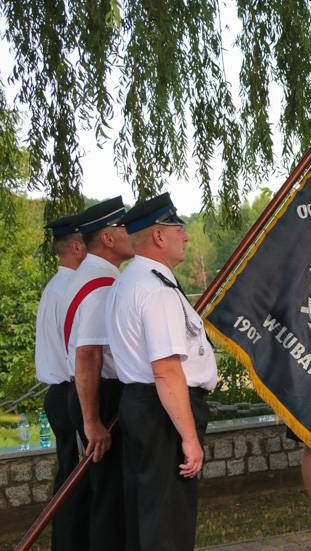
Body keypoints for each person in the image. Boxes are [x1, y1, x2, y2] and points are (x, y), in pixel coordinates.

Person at [105, 193, 217, 551]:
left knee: (147, 513)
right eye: (179, 229)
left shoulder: (128, 281)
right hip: (164, 411)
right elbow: (167, 370)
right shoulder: (156, 290)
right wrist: (188, 436)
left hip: (143, 404)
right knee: (168, 522)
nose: (185, 237)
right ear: (158, 236)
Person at [63, 197, 133, 550]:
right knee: (110, 499)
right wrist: (92, 420)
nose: (130, 233)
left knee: (107, 495)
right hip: (102, 396)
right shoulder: (100, 285)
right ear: (107, 237)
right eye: (123, 227)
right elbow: (88, 354)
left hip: (97, 393)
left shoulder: (92, 276)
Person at [34, 212, 89, 551]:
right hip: (72, 390)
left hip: (63, 391)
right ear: (76, 246)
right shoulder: (70, 288)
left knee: (70, 477)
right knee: (76, 484)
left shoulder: (56, 286)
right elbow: (78, 354)